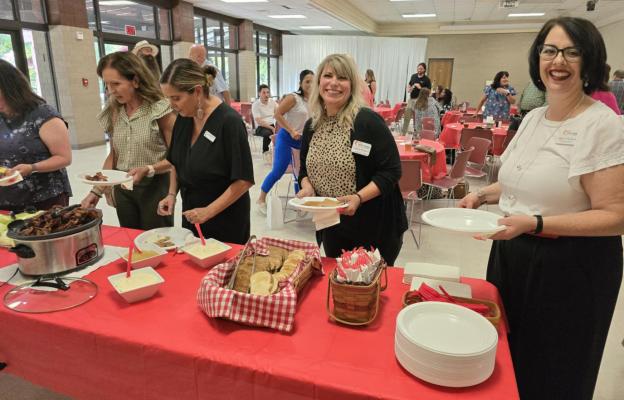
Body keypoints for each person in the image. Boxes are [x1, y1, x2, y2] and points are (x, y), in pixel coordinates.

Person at [459, 17, 624, 400]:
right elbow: (522, 181)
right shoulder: (534, 118)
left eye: (571, 52)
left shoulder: (603, 125)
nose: (558, 61)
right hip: (514, 251)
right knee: (508, 359)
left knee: (553, 371)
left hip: (571, 268)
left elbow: (616, 215)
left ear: (590, 61)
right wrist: (482, 196)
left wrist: (535, 222)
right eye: (549, 50)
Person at [297, 54, 407, 266]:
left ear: (352, 85)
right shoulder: (312, 125)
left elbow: (391, 171)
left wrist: (358, 197)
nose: (334, 83)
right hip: (331, 223)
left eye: (342, 77)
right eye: (328, 75)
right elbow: (304, 170)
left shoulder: (366, 121)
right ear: (319, 81)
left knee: (369, 287)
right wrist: (307, 186)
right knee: (337, 281)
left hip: (374, 224)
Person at [156, 58, 254, 244]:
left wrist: (208, 211)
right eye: (168, 98)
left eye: (176, 98)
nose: (172, 105)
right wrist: (171, 195)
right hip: (192, 214)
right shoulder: (184, 118)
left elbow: (243, 180)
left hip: (225, 219)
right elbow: (177, 161)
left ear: (198, 91)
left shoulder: (229, 122)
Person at [81, 52, 176, 230]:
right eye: (106, 84)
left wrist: (150, 169)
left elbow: (176, 157)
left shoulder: (159, 109)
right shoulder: (114, 112)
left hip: (154, 187)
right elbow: (114, 155)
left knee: (156, 242)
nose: (111, 91)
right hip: (123, 187)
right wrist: (96, 191)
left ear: (136, 80)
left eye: (116, 84)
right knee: (130, 240)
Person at [0, 60, 72, 211]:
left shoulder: (42, 114)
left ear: (9, 88)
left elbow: (64, 157)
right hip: (5, 200)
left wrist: (31, 168)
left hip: (43, 199)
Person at [256, 69, 314, 214]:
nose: (310, 84)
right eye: (307, 81)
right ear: (300, 83)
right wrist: (291, 130)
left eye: (313, 81)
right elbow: (277, 114)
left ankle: (299, 201)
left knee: (301, 173)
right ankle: (261, 198)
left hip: (303, 141)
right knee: (278, 170)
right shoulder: (293, 98)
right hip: (287, 138)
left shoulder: (314, 100)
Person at [402, 62, 431, 134]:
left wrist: (420, 87)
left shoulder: (427, 79)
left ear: (424, 70)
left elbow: (429, 92)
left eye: (421, 69)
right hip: (411, 99)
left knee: (418, 118)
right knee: (407, 116)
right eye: (418, 68)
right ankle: (403, 133)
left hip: (420, 100)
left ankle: (418, 134)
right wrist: (409, 89)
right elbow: (409, 85)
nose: (419, 70)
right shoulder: (413, 76)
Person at [251, 84, 278, 156]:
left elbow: (278, 112)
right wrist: (272, 128)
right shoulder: (255, 105)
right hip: (261, 127)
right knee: (268, 133)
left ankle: (278, 151)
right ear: (259, 93)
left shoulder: (272, 102)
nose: (266, 95)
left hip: (273, 125)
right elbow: (259, 121)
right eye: (264, 92)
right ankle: (265, 151)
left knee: (282, 132)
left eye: (268, 92)